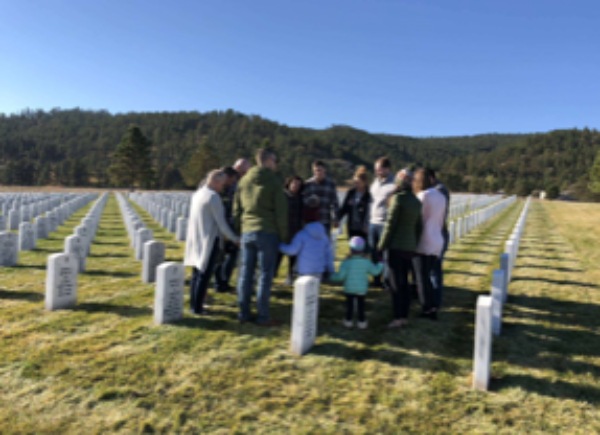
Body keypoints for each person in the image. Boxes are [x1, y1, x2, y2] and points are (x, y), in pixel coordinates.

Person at [234, 148, 288, 326]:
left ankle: (243, 312)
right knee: (265, 275)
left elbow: (237, 209)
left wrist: (238, 229)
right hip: (267, 231)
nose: (276, 164)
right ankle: (263, 315)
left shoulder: (244, 180)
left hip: (247, 231)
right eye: (275, 160)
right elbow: (281, 212)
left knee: (245, 274)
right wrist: (284, 235)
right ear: (268, 160)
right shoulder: (273, 181)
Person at [184, 170, 240, 315]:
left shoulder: (198, 193)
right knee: (205, 275)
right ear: (215, 181)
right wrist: (235, 239)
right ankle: (198, 308)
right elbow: (221, 224)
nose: (223, 187)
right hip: (209, 239)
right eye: (222, 184)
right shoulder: (213, 197)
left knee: (197, 273)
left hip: (196, 238)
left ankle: (193, 304)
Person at [378, 168, 422, 328]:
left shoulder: (398, 199)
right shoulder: (416, 202)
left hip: (396, 246)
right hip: (410, 247)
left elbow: (390, 225)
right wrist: (414, 243)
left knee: (396, 284)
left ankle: (398, 317)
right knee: (405, 283)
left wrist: (381, 245)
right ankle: (404, 315)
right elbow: (419, 227)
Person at [412, 168, 447, 320]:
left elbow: (417, 219)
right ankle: (433, 305)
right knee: (429, 276)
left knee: (422, 277)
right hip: (437, 239)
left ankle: (427, 309)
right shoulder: (441, 196)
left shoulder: (422, 196)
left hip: (424, 240)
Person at [330, 236, 383, 329]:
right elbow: (375, 272)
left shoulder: (346, 262)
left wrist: (331, 276)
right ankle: (361, 322)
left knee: (349, 306)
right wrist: (381, 264)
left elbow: (340, 276)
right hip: (362, 288)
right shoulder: (366, 262)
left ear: (350, 248)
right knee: (361, 306)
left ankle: (348, 321)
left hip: (349, 288)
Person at [279, 196, 334, 280]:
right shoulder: (324, 236)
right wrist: (330, 270)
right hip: (319, 270)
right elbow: (329, 254)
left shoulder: (302, 235)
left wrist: (279, 245)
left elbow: (292, 250)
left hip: (304, 270)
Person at [368, 157, 396, 287]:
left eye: (379, 169)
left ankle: (387, 280)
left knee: (386, 254)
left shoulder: (394, 184)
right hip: (373, 222)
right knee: (374, 253)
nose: (377, 172)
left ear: (387, 169)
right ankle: (376, 279)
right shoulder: (375, 183)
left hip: (385, 223)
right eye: (376, 170)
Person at [214, 166, 240, 292]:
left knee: (232, 255)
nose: (234, 181)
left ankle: (224, 280)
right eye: (233, 179)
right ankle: (219, 282)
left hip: (231, 226)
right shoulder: (216, 189)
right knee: (219, 257)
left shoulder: (234, 188)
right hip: (218, 228)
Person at [427, 168, 451, 299]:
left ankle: (435, 299)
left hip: (438, 233)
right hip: (434, 233)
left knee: (434, 270)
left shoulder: (440, 190)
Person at [278, 175, 305, 285]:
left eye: (298, 185)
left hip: (296, 230)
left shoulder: (301, 198)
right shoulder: (281, 196)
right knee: (277, 254)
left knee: (293, 256)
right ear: (288, 183)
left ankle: (290, 276)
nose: (295, 186)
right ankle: (272, 275)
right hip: (282, 230)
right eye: (294, 183)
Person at [302, 160, 339, 235]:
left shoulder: (331, 184)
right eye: (316, 170)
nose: (318, 172)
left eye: (320, 170)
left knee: (325, 244)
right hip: (311, 222)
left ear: (324, 170)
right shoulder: (308, 184)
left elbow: (334, 203)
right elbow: (303, 202)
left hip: (325, 221)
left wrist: (336, 218)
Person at [338, 167, 372, 242]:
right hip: (352, 228)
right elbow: (344, 209)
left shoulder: (369, 195)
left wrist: (367, 225)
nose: (356, 184)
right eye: (355, 182)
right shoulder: (351, 193)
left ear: (364, 182)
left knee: (364, 251)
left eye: (358, 182)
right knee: (353, 250)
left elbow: (370, 212)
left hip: (364, 229)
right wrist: (337, 219)